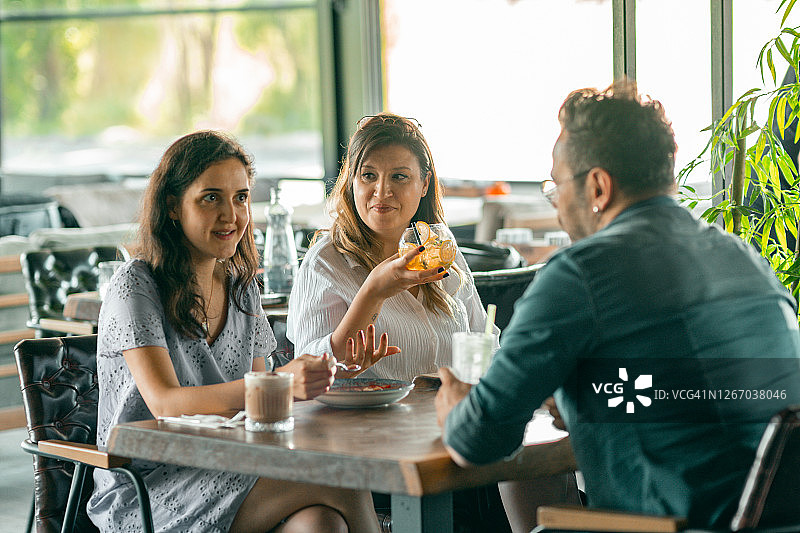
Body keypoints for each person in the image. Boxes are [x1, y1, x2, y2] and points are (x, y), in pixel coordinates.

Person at [435, 80, 800, 530]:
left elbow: (478, 439)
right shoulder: (742, 256)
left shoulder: (580, 272)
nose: (557, 204)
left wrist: (455, 407)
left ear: (598, 187)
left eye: (556, 186)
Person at [87, 130, 382, 533]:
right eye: (211, 198)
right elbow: (165, 403)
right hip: (147, 486)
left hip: (233, 464)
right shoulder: (136, 284)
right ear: (172, 206)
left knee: (321, 524)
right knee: (344, 480)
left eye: (240, 197)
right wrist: (277, 385)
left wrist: (330, 376)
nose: (231, 215)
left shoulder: (242, 288)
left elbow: (258, 413)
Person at [287, 113, 495, 381]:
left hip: (452, 407)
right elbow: (307, 374)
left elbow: (486, 341)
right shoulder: (325, 262)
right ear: (352, 182)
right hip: (368, 410)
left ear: (424, 184)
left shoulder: (440, 250)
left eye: (399, 176)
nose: (382, 191)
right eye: (368, 175)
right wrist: (372, 292)